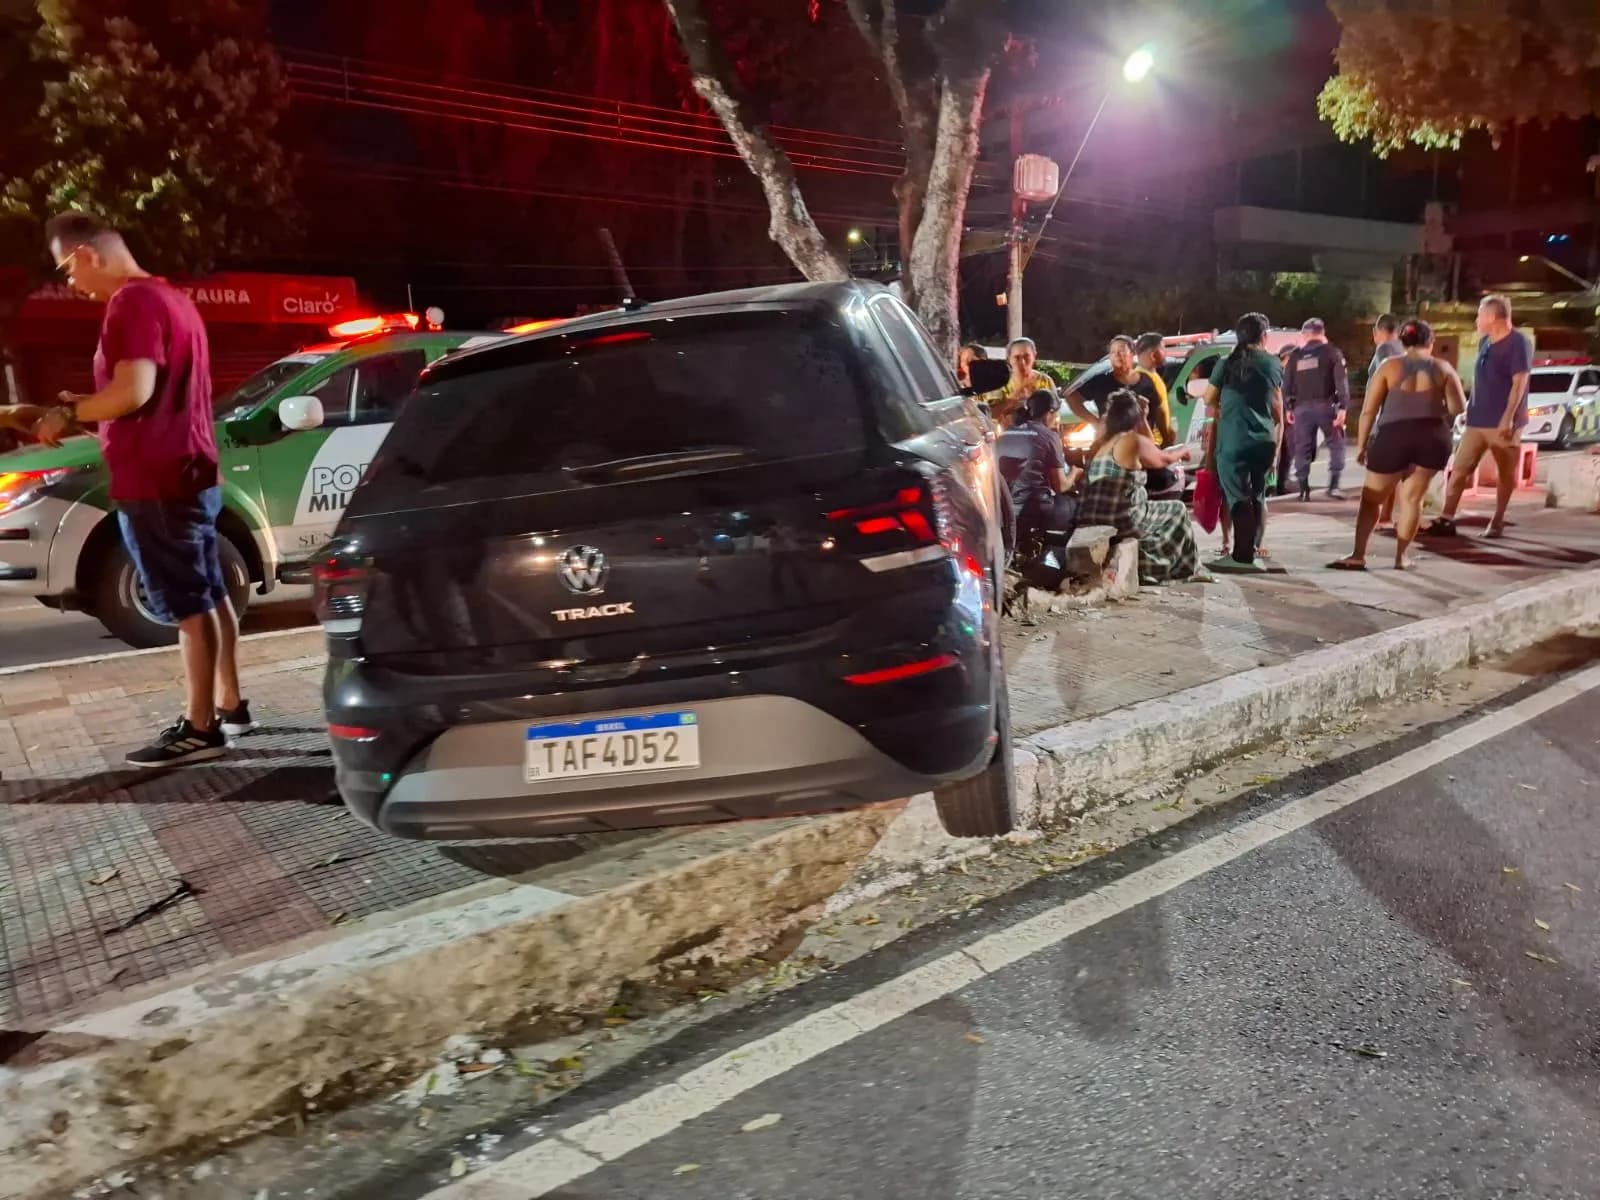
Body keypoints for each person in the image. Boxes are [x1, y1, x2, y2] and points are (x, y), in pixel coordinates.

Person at [37, 213, 253, 767]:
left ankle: (200, 728)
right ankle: (230, 703)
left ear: (87, 253)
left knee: (187, 606)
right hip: (190, 469)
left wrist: (67, 412)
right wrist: (91, 408)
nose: (70, 283)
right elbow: (147, 397)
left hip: (156, 479)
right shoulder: (172, 300)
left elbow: (135, 391)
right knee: (209, 592)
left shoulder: (129, 304)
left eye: (66, 268)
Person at [1329, 319, 1465, 572]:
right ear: (1431, 342)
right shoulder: (1443, 368)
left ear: (1402, 342)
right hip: (1432, 436)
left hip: (1394, 435)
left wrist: (1361, 446)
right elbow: (1458, 408)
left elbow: (1369, 410)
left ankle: (1359, 555)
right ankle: (1401, 557)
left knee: (1372, 500)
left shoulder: (1388, 367)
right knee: (1413, 499)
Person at [1426, 294, 1531, 539]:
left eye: (1480, 315)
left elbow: (1519, 384)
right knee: (1460, 469)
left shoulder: (1519, 343)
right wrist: (1467, 411)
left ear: (1493, 317)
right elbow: (1480, 381)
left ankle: (1497, 520)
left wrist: (1508, 418)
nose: (1476, 320)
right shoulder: (1485, 342)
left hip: (1504, 423)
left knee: (1505, 473)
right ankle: (1446, 518)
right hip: (1477, 420)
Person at [1077, 389, 1199, 584]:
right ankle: (1184, 569)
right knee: (1177, 509)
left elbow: (1149, 450)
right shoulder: (1132, 440)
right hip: (1122, 518)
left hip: (1089, 515)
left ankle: (1145, 564)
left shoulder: (1099, 443)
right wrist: (1183, 450)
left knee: (1147, 507)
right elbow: (1162, 459)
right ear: (1133, 419)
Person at [1203, 312, 1284, 572]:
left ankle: (1242, 556)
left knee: (1237, 497)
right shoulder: (1272, 364)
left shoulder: (1226, 364)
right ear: (1264, 336)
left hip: (1234, 441)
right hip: (1264, 441)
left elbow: (1207, 398)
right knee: (1258, 495)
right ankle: (1253, 551)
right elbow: (1277, 407)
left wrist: (1224, 405)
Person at [995, 389, 1079, 544]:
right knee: (1076, 506)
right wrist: (1075, 473)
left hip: (1004, 510)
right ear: (1050, 413)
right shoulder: (1049, 436)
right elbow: (1061, 486)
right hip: (1036, 509)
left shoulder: (1005, 434)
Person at [1285, 317, 1350, 501]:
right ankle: (1334, 486)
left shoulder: (1295, 356)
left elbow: (1287, 384)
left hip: (1301, 409)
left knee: (1302, 448)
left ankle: (1303, 491)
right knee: (1336, 444)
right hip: (1326, 406)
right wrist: (1343, 407)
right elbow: (1341, 382)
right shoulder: (1332, 353)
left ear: (1306, 334)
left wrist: (1289, 407)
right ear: (1322, 333)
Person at [1369, 314, 1406, 530]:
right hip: (1405, 415)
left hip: (1386, 416)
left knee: (1383, 470)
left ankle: (1381, 517)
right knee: (1398, 470)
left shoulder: (1384, 350)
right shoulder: (1404, 349)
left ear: (1378, 331)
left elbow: (1378, 385)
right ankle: (1387, 515)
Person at [988, 337, 1058, 428]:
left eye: (1026, 356)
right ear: (1009, 359)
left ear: (1034, 356)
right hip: (1008, 437)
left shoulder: (1045, 380)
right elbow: (990, 415)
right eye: (1017, 357)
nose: (1022, 362)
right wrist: (1013, 400)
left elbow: (1054, 413)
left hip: (1039, 436)